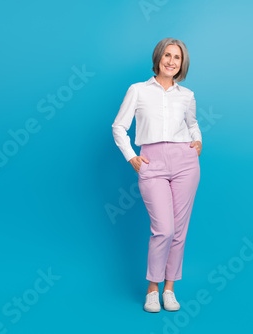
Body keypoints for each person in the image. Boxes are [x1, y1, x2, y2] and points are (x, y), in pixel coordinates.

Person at [112, 37, 202, 313]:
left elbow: (192, 124)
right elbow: (119, 127)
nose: (172, 61)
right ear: (158, 58)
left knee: (179, 231)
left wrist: (198, 141)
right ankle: (153, 288)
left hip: (185, 162)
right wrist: (132, 157)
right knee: (164, 228)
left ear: (181, 63)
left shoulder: (187, 95)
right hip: (152, 163)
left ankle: (170, 289)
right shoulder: (138, 90)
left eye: (177, 57)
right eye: (167, 55)